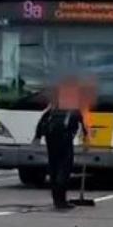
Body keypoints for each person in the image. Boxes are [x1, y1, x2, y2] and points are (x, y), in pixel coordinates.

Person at [34, 78, 88, 210]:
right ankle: (62, 201)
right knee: (65, 168)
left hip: (50, 139)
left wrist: (37, 137)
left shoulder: (53, 109)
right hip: (64, 140)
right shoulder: (73, 109)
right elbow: (82, 125)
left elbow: (43, 120)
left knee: (53, 166)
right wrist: (86, 137)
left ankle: (56, 200)